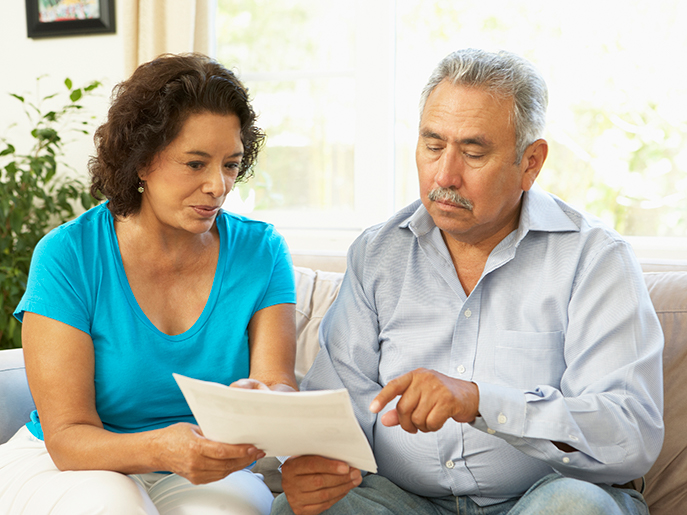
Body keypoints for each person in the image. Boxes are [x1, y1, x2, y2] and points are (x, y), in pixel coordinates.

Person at [271, 48, 664, 515]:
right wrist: (309, 464)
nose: (444, 175)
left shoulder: (594, 259)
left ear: (531, 162)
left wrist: (481, 402)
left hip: (542, 499)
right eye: (432, 146)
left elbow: (630, 432)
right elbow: (334, 407)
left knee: (574, 507)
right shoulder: (377, 254)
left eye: (474, 152)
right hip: (401, 501)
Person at [0, 53, 297, 515]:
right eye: (195, 164)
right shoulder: (68, 255)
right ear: (141, 162)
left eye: (231, 164)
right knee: (113, 504)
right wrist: (160, 448)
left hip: (200, 466)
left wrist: (267, 402)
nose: (218, 186)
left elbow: (276, 383)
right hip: (69, 463)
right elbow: (68, 437)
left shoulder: (261, 252)